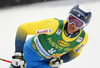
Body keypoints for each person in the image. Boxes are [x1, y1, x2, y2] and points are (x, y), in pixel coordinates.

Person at [9, 4, 92, 68]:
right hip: (29, 54)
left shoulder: (82, 39)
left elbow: (75, 52)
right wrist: (18, 54)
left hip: (45, 63)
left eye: (78, 23)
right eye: (71, 19)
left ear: (84, 26)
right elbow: (23, 29)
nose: (72, 24)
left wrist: (61, 60)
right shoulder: (54, 25)